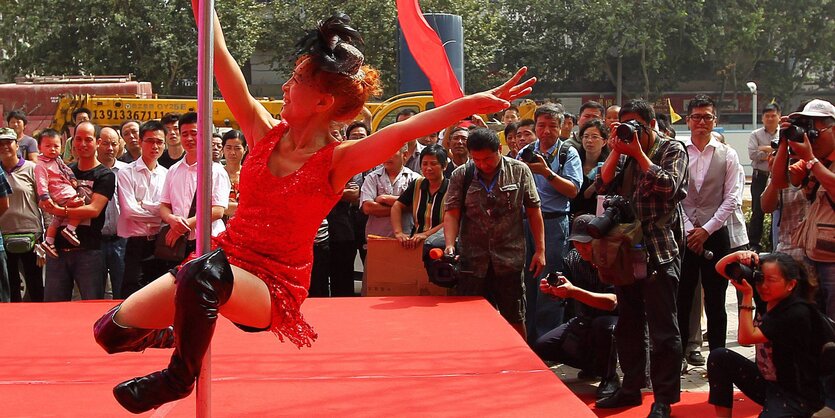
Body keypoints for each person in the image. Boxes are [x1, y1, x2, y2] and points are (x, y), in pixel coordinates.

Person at [92, 7, 535, 414]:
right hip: (224, 262)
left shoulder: (338, 161)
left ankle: (178, 377)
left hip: (271, 285)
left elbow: (408, 127)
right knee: (109, 333)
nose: (284, 86)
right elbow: (219, 53)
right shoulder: (261, 130)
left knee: (201, 272)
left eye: (296, 81)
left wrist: (474, 102)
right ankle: (184, 328)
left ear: (323, 102)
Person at [594, 99, 689, 418]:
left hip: (659, 248)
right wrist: (619, 151)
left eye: (635, 125)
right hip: (627, 251)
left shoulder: (672, 149)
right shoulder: (622, 151)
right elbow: (600, 185)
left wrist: (638, 154)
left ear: (650, 125)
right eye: (624, 124)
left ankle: (663, 398)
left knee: (664, 329)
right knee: (629, 323)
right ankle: (631, 387)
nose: (629, 131)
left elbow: (669, 187)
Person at [443, 128, 545, 340]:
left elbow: (534, 211)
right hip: (472, 261)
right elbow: (452, 213)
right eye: (476, 159)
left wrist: (540, 250)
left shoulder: (519, 171)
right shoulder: (461, 175)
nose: (483, 164)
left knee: (515, 316)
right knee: (469, 317)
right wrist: (450, 245)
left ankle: (519, 362)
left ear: (499, 149)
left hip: (509, 259)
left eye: (488, 158)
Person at [709, 251, 823, 418]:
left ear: (790, 285)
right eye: (761, 278)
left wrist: (747, 297)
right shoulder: (768, 294)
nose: (763, 286)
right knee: (719, 357)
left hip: (798, 393)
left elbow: (746, 338)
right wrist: (739, 255)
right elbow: (720, 268)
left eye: (771, 280)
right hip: (769, 383)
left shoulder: (796, 311)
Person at [677, 95, 743, 369]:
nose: (701, 122)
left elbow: (732, 197)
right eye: (696, 117)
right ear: (688, 120)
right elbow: (674, 195)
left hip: (715, 233)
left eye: (707, 117)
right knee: (682, 297)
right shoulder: (679, 151)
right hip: (684, 233)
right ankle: (678, 355)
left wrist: (706, 229)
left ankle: (718, 360)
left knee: (716, 300)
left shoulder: (727, 154)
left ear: (715, 120)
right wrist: (691, 229)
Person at [534, 215, 620, 400]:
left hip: (615, 320)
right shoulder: (573, 258)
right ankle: (593, 365)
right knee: (542, 346)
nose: (582, 248)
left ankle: (610, 377)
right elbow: (564, 288)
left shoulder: (612, 258)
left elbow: (612, 301)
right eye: (578, 243)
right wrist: (552, 290)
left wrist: (573, 292)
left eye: (587, 243)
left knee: (604, 326)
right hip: (584, 318)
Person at [518, 103, 582, 342]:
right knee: (526, 282)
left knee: (550, 282)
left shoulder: (568, 153)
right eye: (541, 125)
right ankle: (525, 337)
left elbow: (574, 190)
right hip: (525, 223)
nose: (546, 131)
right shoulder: (525, 152)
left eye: (552, 126)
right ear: (535, 126)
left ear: (561, 127)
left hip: (554, 223)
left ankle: (547, 341)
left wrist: (547, 173)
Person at [41, 121, 116, 301]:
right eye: (78, 139)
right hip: (57, 251)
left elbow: (93, 210)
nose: (82, 144)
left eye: (88, 140)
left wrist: (60, 210)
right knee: (52, 309)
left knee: (91, 307)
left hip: (88, 251)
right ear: (72, 142)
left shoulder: (105, 175)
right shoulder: (65, 170)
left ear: (97, 142)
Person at [117, 120, 171, 299]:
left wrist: (144, 204)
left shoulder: (167, 174)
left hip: (159, 243)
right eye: (150, 141)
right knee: (131, 293)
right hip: (134, 242)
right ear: (140, 142)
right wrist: (161, 215)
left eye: (159, 142)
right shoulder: (126, 172)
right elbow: (129, 211)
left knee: (157, 295)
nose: (155, 146)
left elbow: (170, 209)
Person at [0, 128, 43, 302]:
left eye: (8, 142)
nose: (4, 147)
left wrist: (47, 239)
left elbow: (44, 203)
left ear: (17, 145)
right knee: (11, 287)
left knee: (35, 285)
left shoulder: (32, 169)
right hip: (4, 235)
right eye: (0, 144)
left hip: (31, 234)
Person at [33, 129, 90, 258]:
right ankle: (70, 229)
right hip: (60, 192)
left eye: (56, 146)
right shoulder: (41, 165)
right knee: (80, 205)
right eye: (48, 146)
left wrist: (73, 179)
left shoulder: (58, 161)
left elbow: (67, 170)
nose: (52, 149)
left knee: (58, 219)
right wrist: (45, 197)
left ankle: (49, 241)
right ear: (39, 147)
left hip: (65, 190)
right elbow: (41, 182)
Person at [391, 144, 449, 249]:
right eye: (425, 164)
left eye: (433, 164)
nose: (428, 168)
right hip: (416, 243)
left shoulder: (451, 188)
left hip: (441, 244)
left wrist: (426, 235)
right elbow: (397, 206)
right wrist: (399, 232)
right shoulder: (418, 183)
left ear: (444, 166)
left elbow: (451, 220)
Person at [97, 127, 129, 298]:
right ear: (97, 144)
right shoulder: (90, 170)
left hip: (121, 240)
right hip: (95, 241)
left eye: (114, 144)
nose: (110, 148)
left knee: (121, 292)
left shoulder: (127, 171)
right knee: (94, 292)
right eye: (106, 144)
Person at [747, 103, 781, 252]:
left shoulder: (784, 133)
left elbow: (785, 151)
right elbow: (753, 154)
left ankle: (774, 243)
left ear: (779, 116)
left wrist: (764, 149)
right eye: (767, 116)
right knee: (757, 210)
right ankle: (754, 244)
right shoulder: (755, 134)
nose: (770, 118)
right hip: (760, 176)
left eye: (773, 115)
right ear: (762, 118)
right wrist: (774, 150)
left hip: (778, 176)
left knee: (778, 211)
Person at [571, 119, 610, 216]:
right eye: (586, 136)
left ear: (604, 142)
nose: (589, 140)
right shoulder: (573, 162)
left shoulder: (608, 165)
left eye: (595, 137)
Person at [221, 129, 247, 220]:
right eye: (228, 148)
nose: (232, 152)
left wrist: (221, 207)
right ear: (222, 149)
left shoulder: (250, 175)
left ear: (245, 149)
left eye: (237, 148)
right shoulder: (216, 174)